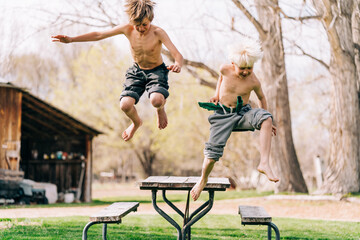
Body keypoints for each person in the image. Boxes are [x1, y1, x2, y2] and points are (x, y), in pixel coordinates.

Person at [52, 0, 183, 141]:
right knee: (125, 105)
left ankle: (160, 109)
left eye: (144, 24)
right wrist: (71, 39)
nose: (141, 28)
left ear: (150, 19)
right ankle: (136, 123)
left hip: (156, 71)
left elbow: (178, 55)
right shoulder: (128, 29)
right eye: (137, 25)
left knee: (156, 100)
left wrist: (177, 64)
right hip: (137, 71)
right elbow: (98, 35)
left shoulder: (158, 32)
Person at [190, 37, 279, 201]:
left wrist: (266, 121)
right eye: (242, 68)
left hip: (243, 113)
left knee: (266, 118)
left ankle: (264, 163)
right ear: (233, 64)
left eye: (249, 68)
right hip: (223, 115)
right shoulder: (224, 69)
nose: (245, 72)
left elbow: (262, 98)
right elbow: (221, 78)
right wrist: (217, 94)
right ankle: (203, 179)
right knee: (211, 155)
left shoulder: (254, 81)